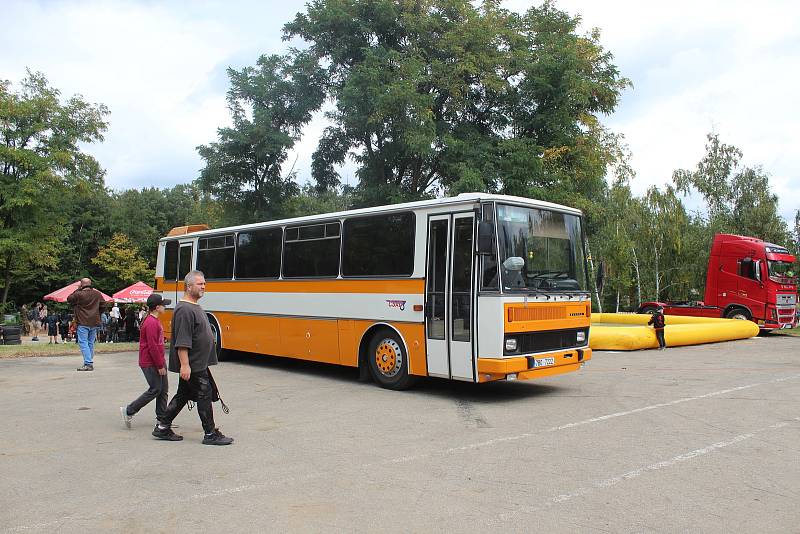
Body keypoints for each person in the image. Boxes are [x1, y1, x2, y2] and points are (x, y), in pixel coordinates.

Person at [152, 270, 233, 445]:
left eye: (204, 283)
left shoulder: (194, 306)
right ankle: (210, 434)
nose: (203, 287)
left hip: (198, 363)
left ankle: (162, 427)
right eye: (199, 284)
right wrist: (185, 365)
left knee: (183, 394)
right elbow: (182, 341)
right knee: (204, 394)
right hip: (193, 364)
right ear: (189, 287)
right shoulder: (184, 309)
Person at [120, 293, 172, 429]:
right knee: (156, 389)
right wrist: (160, 365)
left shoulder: (154, 320)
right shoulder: (150, 323)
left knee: (163, 389)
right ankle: (129, 410)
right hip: (150, 362)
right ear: (157, 307)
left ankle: (162, 419)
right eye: (163, 304)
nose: (165, 306)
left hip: (158, 360)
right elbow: (152, 346)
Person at [67, 278, 105, 371]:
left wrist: (78, 289)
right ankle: (89, 361)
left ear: (81, 285)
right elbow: (103, 305)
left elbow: (69, 299)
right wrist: (97, 313)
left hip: (83, 321)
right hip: (94, 322)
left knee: (83, 342)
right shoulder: (97, 294)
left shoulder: (78, 294)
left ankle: (88, 363)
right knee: (90, 342)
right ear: (90, 284)